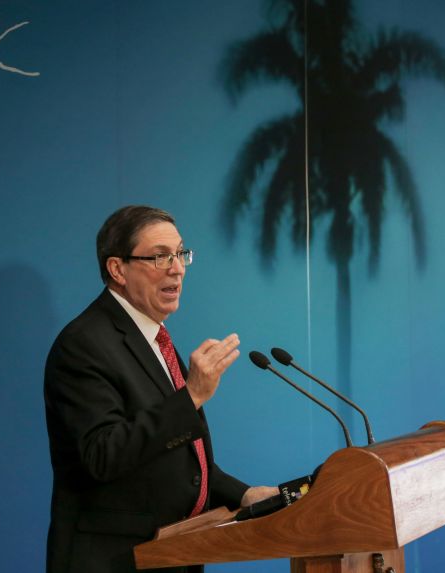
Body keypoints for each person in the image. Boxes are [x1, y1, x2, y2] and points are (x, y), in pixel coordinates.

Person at [44, 205, 276, 573]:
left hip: (171, 553)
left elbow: (177, 461)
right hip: (115, 560)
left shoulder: (152, 338)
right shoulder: (84, 344)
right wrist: (193, 397)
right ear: (118, 269)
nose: (178, 267)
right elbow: (102, 455)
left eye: (181, 253)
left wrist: (245, 495)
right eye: (160, 256)